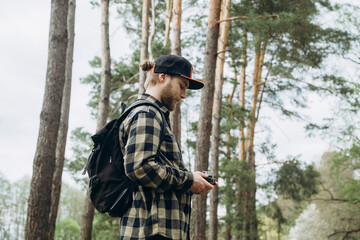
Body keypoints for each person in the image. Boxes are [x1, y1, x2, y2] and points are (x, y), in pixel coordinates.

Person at [119, 55, 216, 240]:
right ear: (163, 77)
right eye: (182, 86)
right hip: (151, 231)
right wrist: (188, 181)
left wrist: (193, 181)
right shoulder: (148, 113)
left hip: (158, 230)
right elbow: (139, 167)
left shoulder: (153, 115)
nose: (183, 95)